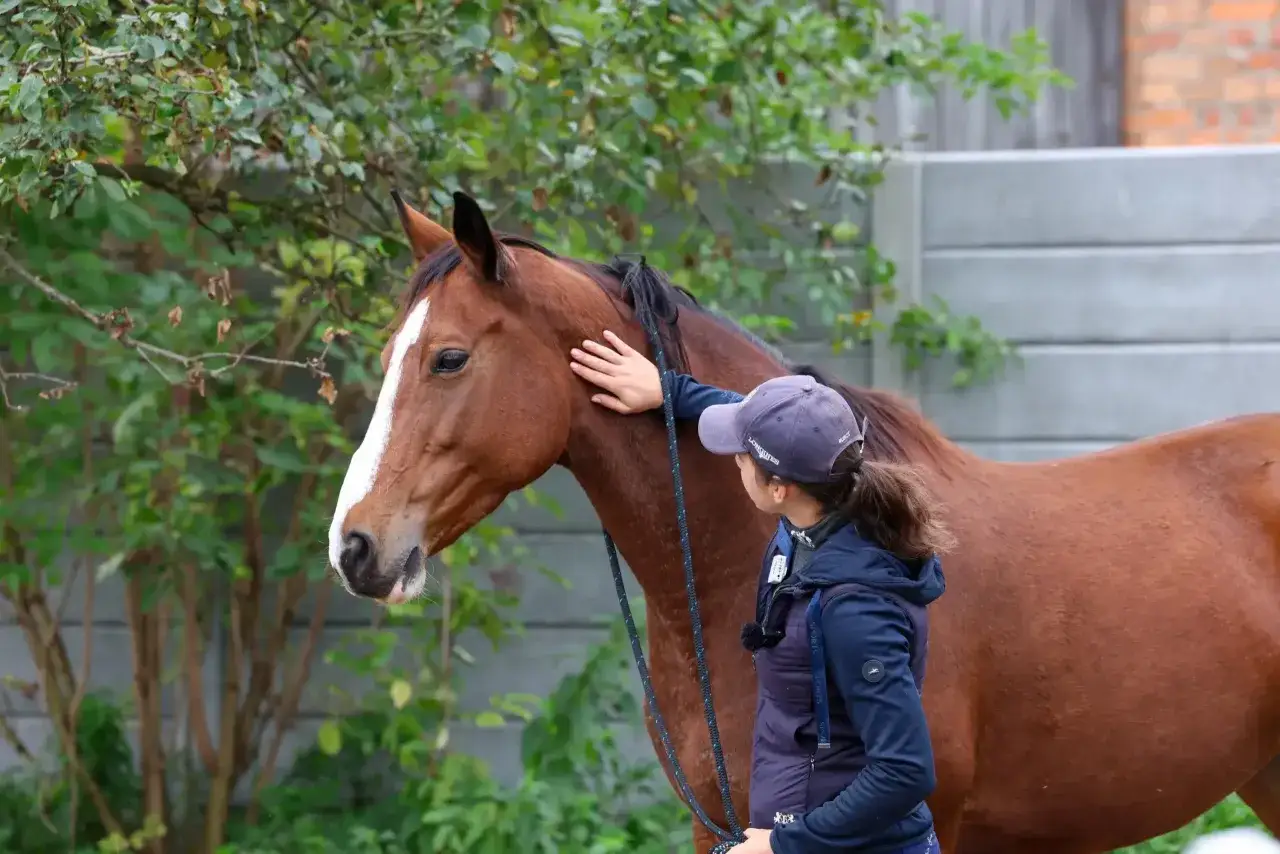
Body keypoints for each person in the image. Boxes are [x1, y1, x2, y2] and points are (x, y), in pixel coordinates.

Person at [569, 331, 952, 854]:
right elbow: (770, 425)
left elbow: (904, 771)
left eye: (744, 456)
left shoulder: (856, 606)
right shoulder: (815, 511)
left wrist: (784, 845)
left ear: (779, 487)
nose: (734, 460)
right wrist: (668, 391)